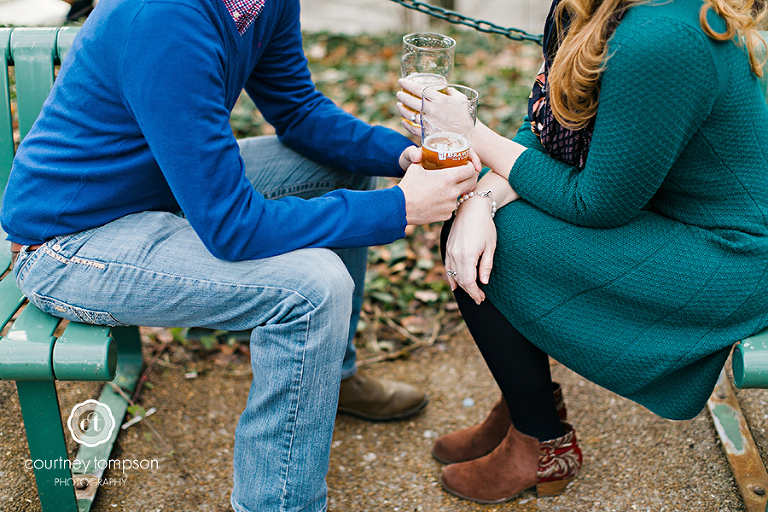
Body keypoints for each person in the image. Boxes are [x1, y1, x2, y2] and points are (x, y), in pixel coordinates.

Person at [1, 0, 480, 510]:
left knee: (344, 167)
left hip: (166, 192)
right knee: (313, 289)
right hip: (73, 242)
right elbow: (233, 228)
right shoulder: (165, 20)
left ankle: (329, 379)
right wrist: (400, 206)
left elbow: (297, 109)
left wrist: (399, 156)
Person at [397, 0, 768, 503]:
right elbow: (552, 127)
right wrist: (483, 197)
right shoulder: (586, 5)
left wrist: (474, 137)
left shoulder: (660, 35)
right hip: (663, 208)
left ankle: (539, 442)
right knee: (473, 224)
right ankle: (524, 407)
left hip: (731, 256)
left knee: (502, 246)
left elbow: (597, 203)